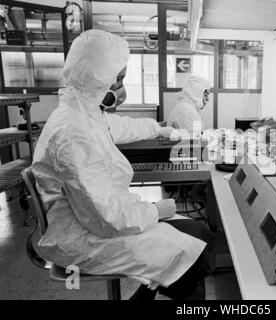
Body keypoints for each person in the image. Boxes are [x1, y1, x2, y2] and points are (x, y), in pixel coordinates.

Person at [31, 29, 214, 300]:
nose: (120, 87)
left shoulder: (83, 112)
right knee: (195, 257)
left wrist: (157, 128)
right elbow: (108, 217)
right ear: (96, 79)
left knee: (197, 235)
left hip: (93, 222)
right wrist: (156, 210)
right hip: (85, 237)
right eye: (117, 79)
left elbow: (118, 126)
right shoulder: (73, 134)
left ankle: (151, 289)